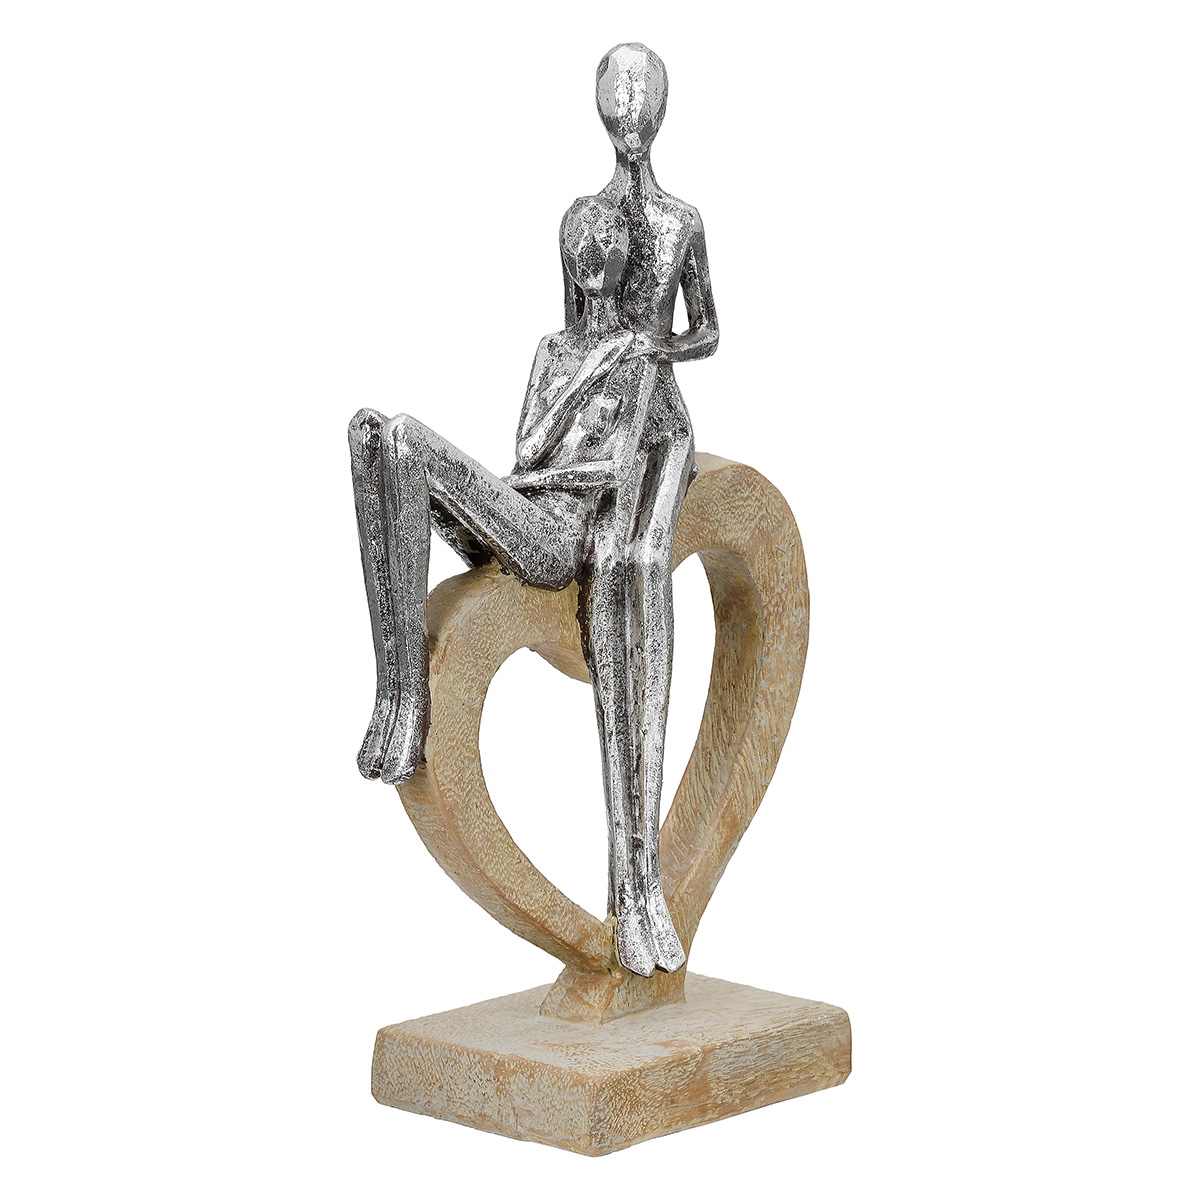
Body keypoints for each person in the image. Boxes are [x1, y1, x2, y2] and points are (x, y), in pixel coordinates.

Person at [349, 197, 678, 974]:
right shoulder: (554, 350)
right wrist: (566, 418)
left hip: (561, 540)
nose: (592, 257)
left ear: (622, 264)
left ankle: (636, 894)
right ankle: (399, 693)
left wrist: (571, 464)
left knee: (407, 438)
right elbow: (529, 448)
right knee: (372, 435)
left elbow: (625, 461)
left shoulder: (639, 359)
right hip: (526, 506)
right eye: (580, 245)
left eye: (605, 246)